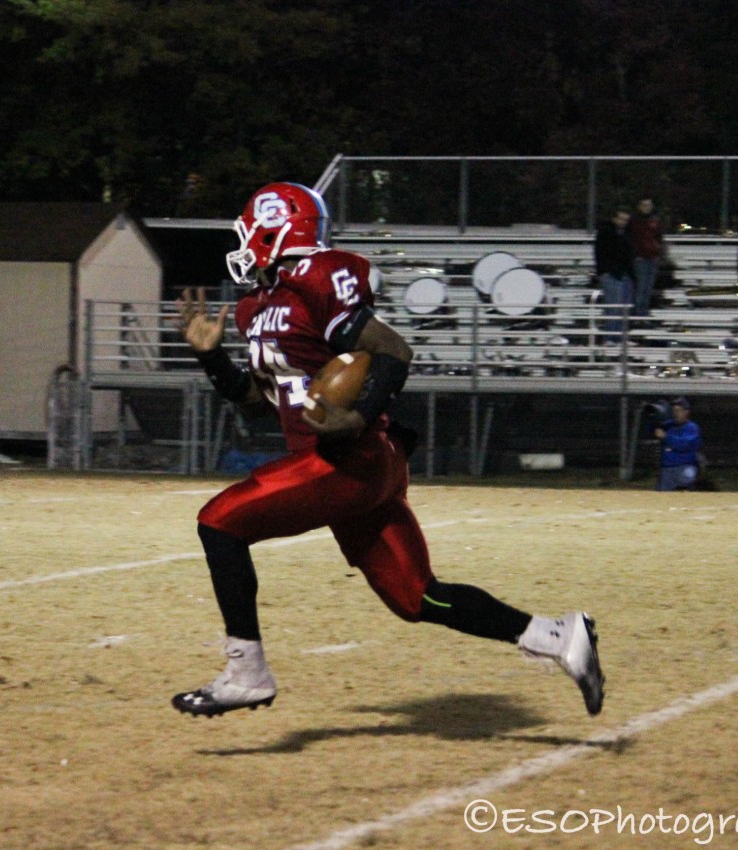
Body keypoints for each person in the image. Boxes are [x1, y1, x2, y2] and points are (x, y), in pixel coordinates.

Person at [171, 182, 605, 718]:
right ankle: (560, 636)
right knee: (417, 597)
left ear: (275, 228)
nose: (242, 241)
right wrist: (212, 360)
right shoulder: (253, 309)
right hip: (340, 472)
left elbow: (392, 349)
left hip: (349, 461)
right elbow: (260, 400)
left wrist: (354, 416)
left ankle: (246, 671)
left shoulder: (319, 275)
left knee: (219, 522)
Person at [594, 208, 635, 342]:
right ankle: (611, 337)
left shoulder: (625, 233)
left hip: (624, 274)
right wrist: (606, 271)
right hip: (612, 274)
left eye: (626, 220)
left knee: (624, 308)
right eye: (621, 219)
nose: (623, 222)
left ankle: (620, 337)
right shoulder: (606, 232)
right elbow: (604, 254)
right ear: (614, 218)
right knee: (614, 306)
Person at [653, 397, 703, 491]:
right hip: (667, 469)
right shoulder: (668, 425)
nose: (676, 413)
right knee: (660, 493)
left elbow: (684, 445)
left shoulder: (692, 428)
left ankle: (685, 490)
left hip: (685, 466)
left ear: (686, 412)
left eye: (679, 410)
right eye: (674, 410)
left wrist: (666, 437)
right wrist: (655, 418)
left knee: (687, 477)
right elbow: (650, 432)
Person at [629, 196, 663, 317]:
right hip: (640, 259)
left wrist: (658, 254)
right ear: (639, 207)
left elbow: (659, 238)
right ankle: (639, 314)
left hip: (653, 258)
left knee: (648, 288)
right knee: (641, 287)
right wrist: (635, 255)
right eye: (644, 205)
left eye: (648, 205)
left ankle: (644, 312)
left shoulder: (655, 220)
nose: (646, 208)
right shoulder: (634, 221)